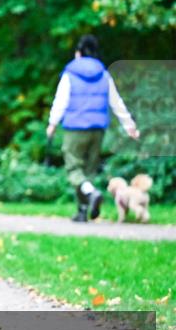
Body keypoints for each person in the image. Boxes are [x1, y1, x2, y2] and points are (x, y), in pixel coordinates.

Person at [46, 34, 139, 223]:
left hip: (75, 128)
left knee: (74, 168)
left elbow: (61, 101)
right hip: (98, 129)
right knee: (89, 170)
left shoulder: (70, 74)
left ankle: (91, 194)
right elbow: (116, 101)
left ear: (78, 53)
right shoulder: (104, 74)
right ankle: (82, 211)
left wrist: (52, 123)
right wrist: (129, 124)